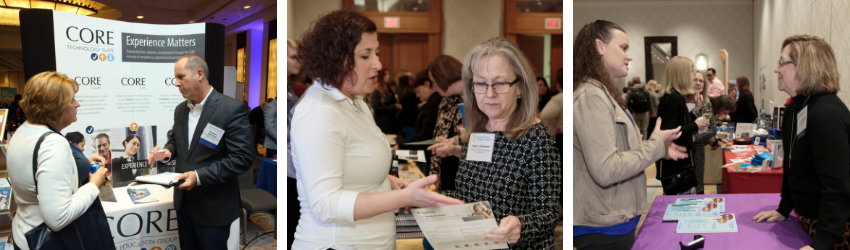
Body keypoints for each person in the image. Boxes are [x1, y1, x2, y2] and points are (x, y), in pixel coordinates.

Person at [290, 9, 462, 249]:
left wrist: (387, 181)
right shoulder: (320, 112)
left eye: (377, 53)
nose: (378, 64)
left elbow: (353, 167)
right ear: (335, 59)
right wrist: (403, 197)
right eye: (365, 55)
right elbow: (325, 205)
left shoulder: (355, 101)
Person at [427, 36, 561, 249]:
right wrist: (432, 197)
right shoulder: (480, 130)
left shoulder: (536, 137)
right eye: (481, 83)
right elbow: (470, 197)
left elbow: (549, 214)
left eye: (500, 83)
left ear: (520, 87)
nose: (490, 94)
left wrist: (520, 225)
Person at [572, 20, 686, 250]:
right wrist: (655, 145)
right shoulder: (591, 97)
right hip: (602, 227)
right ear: (599, 47)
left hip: (612, 220)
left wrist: (660, 149)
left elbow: (622, 150)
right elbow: (606, 169)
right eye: (623, 48)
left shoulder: (602, 93)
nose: (629, 56)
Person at [147, 54, 255, 250]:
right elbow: (176, 142)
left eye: (180, 77)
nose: (176, 83)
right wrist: (166, 151)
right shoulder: (181, 110)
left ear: (199, 74)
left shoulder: (231, 109)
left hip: (214, 206)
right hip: (184, 204)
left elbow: (242, 158)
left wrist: (198, 177)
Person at [753, 35, 850, 250]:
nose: (776, 70)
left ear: (805, 67)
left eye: (781, 62)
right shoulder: (793, 109)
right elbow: (791, 167)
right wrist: (783, 208)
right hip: (806, 220)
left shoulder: (827, 113)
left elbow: (837, 188)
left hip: (834, 232)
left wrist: (821, 244)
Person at [7, 71, 113, 250]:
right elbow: (58, 217)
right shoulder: (52, 143)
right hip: (49, 241)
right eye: (72, 100)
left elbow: (39, 172)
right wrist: (94, 184)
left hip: (24, 232)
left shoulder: (25, 130)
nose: (77, 104)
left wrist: (74, 165)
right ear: (55, 107)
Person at [656, 56, 709, 195]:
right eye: (691, 72)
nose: (693, 76)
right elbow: (669, 132)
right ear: (682, 74)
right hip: (676, 166)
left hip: (677, 162)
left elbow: (681, 124)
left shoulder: (674, 95)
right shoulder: (674, 97)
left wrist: (696, 110)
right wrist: (696, 125)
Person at [427, 55, 465, 191]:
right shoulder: (444, 101)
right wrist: (434, 173)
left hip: (465, 178)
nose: (433, 87)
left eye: (434, 82)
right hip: (446, 176)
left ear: (443, 77)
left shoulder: (475, 99)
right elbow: (437, 139)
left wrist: (452, 143)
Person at [285, 37, 301, 250]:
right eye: (293, 57)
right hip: (290, 165)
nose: (299, 61)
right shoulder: (284, 92)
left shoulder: (290, 89)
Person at [690, 71, 716, 194]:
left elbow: (712, 130)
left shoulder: (707, 104)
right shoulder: (683, 102)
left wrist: (695, 138)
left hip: (699, 149)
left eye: (701, 81)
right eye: (695, 80)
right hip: (684, 150)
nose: (698, 83)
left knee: (699, 184)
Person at [540, 68, 563, 151]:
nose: (542, 87)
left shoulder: (558, 99)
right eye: (539, 85)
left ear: (558, 85)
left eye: (543, 85)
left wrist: (552, 130)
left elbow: (544, 116)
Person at [372, 69, 398, 134]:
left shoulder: (388, 89)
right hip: (382, 122)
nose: (388, 76)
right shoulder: (377, 91)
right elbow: (376, 108)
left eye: (389, 74)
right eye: (385, 75)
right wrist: (393, 107)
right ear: (381, 77)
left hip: (390, 122)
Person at [395, 73, 420, 140]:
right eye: (410, 80)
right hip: (410, 121)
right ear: (407, 81)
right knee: (410, 141)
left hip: (405, 121)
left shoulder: (402, 91)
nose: (412, 81)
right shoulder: (409, 92)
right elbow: (413, 107)